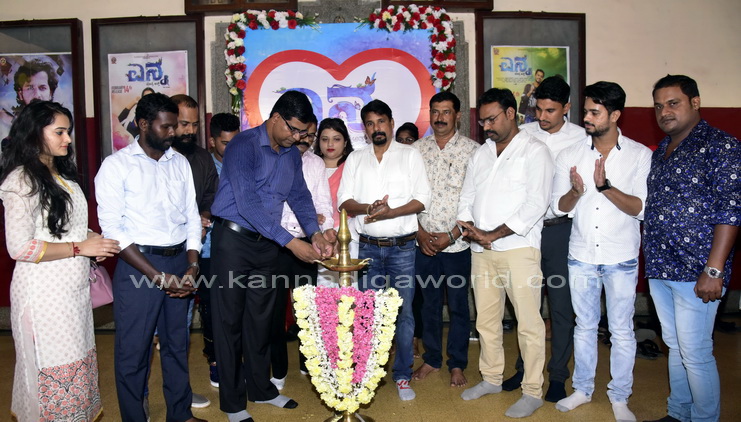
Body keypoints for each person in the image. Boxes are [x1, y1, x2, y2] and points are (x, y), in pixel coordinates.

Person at [210, 90, 333, 422]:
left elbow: (300, 196)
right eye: (294, 129)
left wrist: (315, 233)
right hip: (233, 242)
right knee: (229, 323)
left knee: (261, 321)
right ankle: (233, 403)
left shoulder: (290, 154)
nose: (298, 137)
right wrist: (292, 243)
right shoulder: (243, 146)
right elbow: (247, 204)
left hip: (267, 244)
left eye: (303, 133)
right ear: (276, 118)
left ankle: (261, 389)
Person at [0, 101, 120, 421]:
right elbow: (20, 248)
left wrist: (94, 240)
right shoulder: (21, 180)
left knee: (77, 363)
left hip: (72, 292)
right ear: (34, 133)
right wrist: (81, 247)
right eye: (59, 132)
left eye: (68, 132)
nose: (68, 139)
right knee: (53, 368)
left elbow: (66, 228)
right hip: (43, 296)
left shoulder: (61, 174)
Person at [95, 93, 205, 422]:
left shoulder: (179, 163)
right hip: (137, 267)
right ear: (143, 125)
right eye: (166, 126)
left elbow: (192, 217)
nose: (174, 132)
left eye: (176, 126)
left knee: (176, 345)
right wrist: (157, 276)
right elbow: (113, 230)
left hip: (179, 262)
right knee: (134, 351)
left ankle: (180, 414)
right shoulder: (116, 166)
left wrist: (192, 265)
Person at [549, 81, 651, 422]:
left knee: (621, 330)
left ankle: (620, 397)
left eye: (595, 112)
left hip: (620, 256)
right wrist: (576, 192)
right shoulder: (570, 155)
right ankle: (582, 389)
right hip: (581, 255)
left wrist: (605, 186)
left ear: (615, 114)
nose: (587, 118)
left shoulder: (639, 155)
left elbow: (641, 208)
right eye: (586, 111)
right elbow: (559, 207)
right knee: (584, 326)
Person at [643, 75, 740, 422]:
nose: (664, 112)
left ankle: (704, 418)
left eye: (673, 103)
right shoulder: (662, 151)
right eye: (658, 106)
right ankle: (678, 413)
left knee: (696, 352)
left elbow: (731, 210)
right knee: (675, 347)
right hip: (661, 267)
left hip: (697, 270)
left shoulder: (720, 146)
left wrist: (713, 270)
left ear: (695, 103)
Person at [457, 88, 553, 418]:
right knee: (486, 321)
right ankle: (491, 378)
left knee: (528, 324)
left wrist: (492, 234)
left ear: (511, 114)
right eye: (482, 121)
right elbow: (466, 198)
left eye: (491, 119)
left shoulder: (535, 151)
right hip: (482, 251)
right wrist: (472, 229)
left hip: (519, 250)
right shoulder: (481, 154)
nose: (485, 126)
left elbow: (535, 205)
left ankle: (532, 391)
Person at [338, 99, 431, 401]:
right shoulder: (356, 159)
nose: (376, 128)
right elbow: (344, 201)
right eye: (370, 123)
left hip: (402, 248)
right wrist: (370, 208)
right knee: (367, 314)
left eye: (381, 121)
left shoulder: (410, 155)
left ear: (391, 123)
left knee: (404, 314)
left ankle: (402, 375)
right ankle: (366, 375)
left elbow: (422, 199)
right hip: (368, 248)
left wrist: (391, 213)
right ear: (364, 129)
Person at [503, 76, 586, 402]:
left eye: (550, 110)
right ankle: (526, 369)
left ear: (567, 107)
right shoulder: (524, 134)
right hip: (526, 230)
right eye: (538, 109)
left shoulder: (581, 138)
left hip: (560, 231)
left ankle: (558, 375)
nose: (542, 116)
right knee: (527, 307)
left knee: (561, 307)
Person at [410, 91, 479, 388]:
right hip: (423, 243)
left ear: (458, 115)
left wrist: (452, 235)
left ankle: (457, 363)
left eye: (446, 112)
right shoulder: (415, 151)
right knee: (429, 304)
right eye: (435, 112)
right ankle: (432, 359)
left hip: (458, 244)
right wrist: (419, 232)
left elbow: (477, 199)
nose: (439, 118)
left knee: (459, 306)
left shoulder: (473, 151)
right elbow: (407, 196)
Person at [270, 115, 335, 388]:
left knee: (307, 309)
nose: (304, 139)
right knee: (274, 310)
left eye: (310, 135)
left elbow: (323, 205)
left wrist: (327, 229)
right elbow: (275, 205)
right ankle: (278, 370)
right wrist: (308, 217)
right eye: (301, 133)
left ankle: (308, 363)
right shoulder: (275, 158)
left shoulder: (316, 163)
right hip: (276, 243)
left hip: (308, 244)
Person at [170, 93, 218, 409]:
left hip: (192, 253)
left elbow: (213, 194)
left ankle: (180, 395)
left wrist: (204, 216)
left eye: (195, 124)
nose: (189, 130)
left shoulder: (201, 157)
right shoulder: (156, 157)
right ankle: (140, 401)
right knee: (148, 336)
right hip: (157, 254)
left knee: (181, 326)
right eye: (183, 124)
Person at [201, 111, 240, 388]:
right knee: (210, 307)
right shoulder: (202, 166)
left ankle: (235, 358)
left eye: (235, 142)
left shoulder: (243, 164)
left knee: (236, 307)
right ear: (212, 141)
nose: (231, 148)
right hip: (206, 250)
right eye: (225, 143)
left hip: (237, 249)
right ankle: (215, 360)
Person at [314, 117, 356, 288]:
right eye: (325, 139)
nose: (330, 144)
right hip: (317, 234)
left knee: (349, 287)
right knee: (324, 288)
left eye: (336, 139)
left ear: (345, 142)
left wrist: (341, 236)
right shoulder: (309, 166)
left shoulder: (352, 167)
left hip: (348, 233)